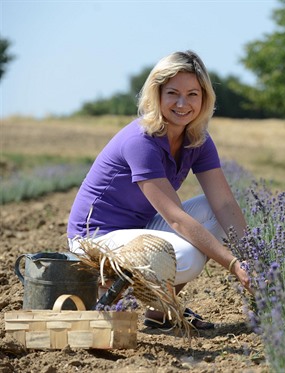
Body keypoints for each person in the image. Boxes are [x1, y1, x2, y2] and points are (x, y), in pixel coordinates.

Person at [67, 50, 249, 329]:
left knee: (217, 211)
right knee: (187, 257)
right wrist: (235, 266)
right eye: (173, 93)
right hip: (95, 238)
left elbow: (224, 204)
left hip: (140, 229)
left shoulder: (198, 139)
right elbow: (176, 218)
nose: (182, 103)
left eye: (192, 95)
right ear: (157, 95)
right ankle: (106, 289)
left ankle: (159, 310)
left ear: (204, 98)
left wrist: (252, 260)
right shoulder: (141, 140)